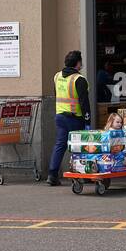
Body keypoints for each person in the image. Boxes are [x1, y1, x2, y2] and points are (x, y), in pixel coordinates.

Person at [48, 50, 90, 186]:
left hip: (60, 116)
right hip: (75, 118)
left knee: (60, 145)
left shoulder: (57, 76)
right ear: (78, 64)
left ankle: (52, 174)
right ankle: (82, 174)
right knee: (80, 147)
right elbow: (84, 103)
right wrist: (87, 120)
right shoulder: (79, 79)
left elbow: (56, 94)